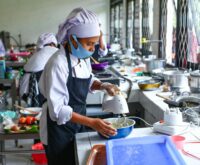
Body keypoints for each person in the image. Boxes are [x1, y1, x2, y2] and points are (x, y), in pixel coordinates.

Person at [39, 7, 120, 165]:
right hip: (58, 130)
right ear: (73, 39)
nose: (92, 48)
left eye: (94, 43)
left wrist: (103, 85)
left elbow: (88, 80)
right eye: (89, 43)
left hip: (78, 122)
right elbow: (58, 111)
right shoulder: (58, 64)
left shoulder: (82, 59)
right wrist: (92, 122)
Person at [20, 33, 58, 107]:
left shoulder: (37, 53)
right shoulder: (54, 51)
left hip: (26, 90)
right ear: (52, 43)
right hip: (38, 88)